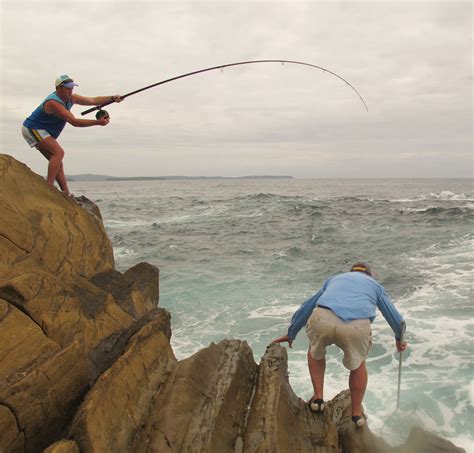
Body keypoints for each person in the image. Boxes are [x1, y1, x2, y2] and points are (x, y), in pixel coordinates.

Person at [273, 262, 407, 428]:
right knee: (358, 366)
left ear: (350, 273)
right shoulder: (375, 286)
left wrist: (291, 332)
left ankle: (318, 399)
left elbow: (307, 306)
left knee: (315, 352)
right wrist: (399, 339)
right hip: (356, 326)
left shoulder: (334, 279)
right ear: (369, 275)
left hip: (323, 317)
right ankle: (356, 416)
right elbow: (394, 316)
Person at [22, 75, 123, 196]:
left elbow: (93, 101)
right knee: (59, 153)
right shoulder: (53, 102)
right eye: (68, 88)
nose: (71, 91)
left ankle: (66, 193)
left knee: (57, 160)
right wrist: (98, 122)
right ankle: (48, 187)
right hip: (33, 128)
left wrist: (112, 98)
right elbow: (75, 122)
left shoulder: (72, 98)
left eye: (72, 88)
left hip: (43, 131)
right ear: (59, 88)